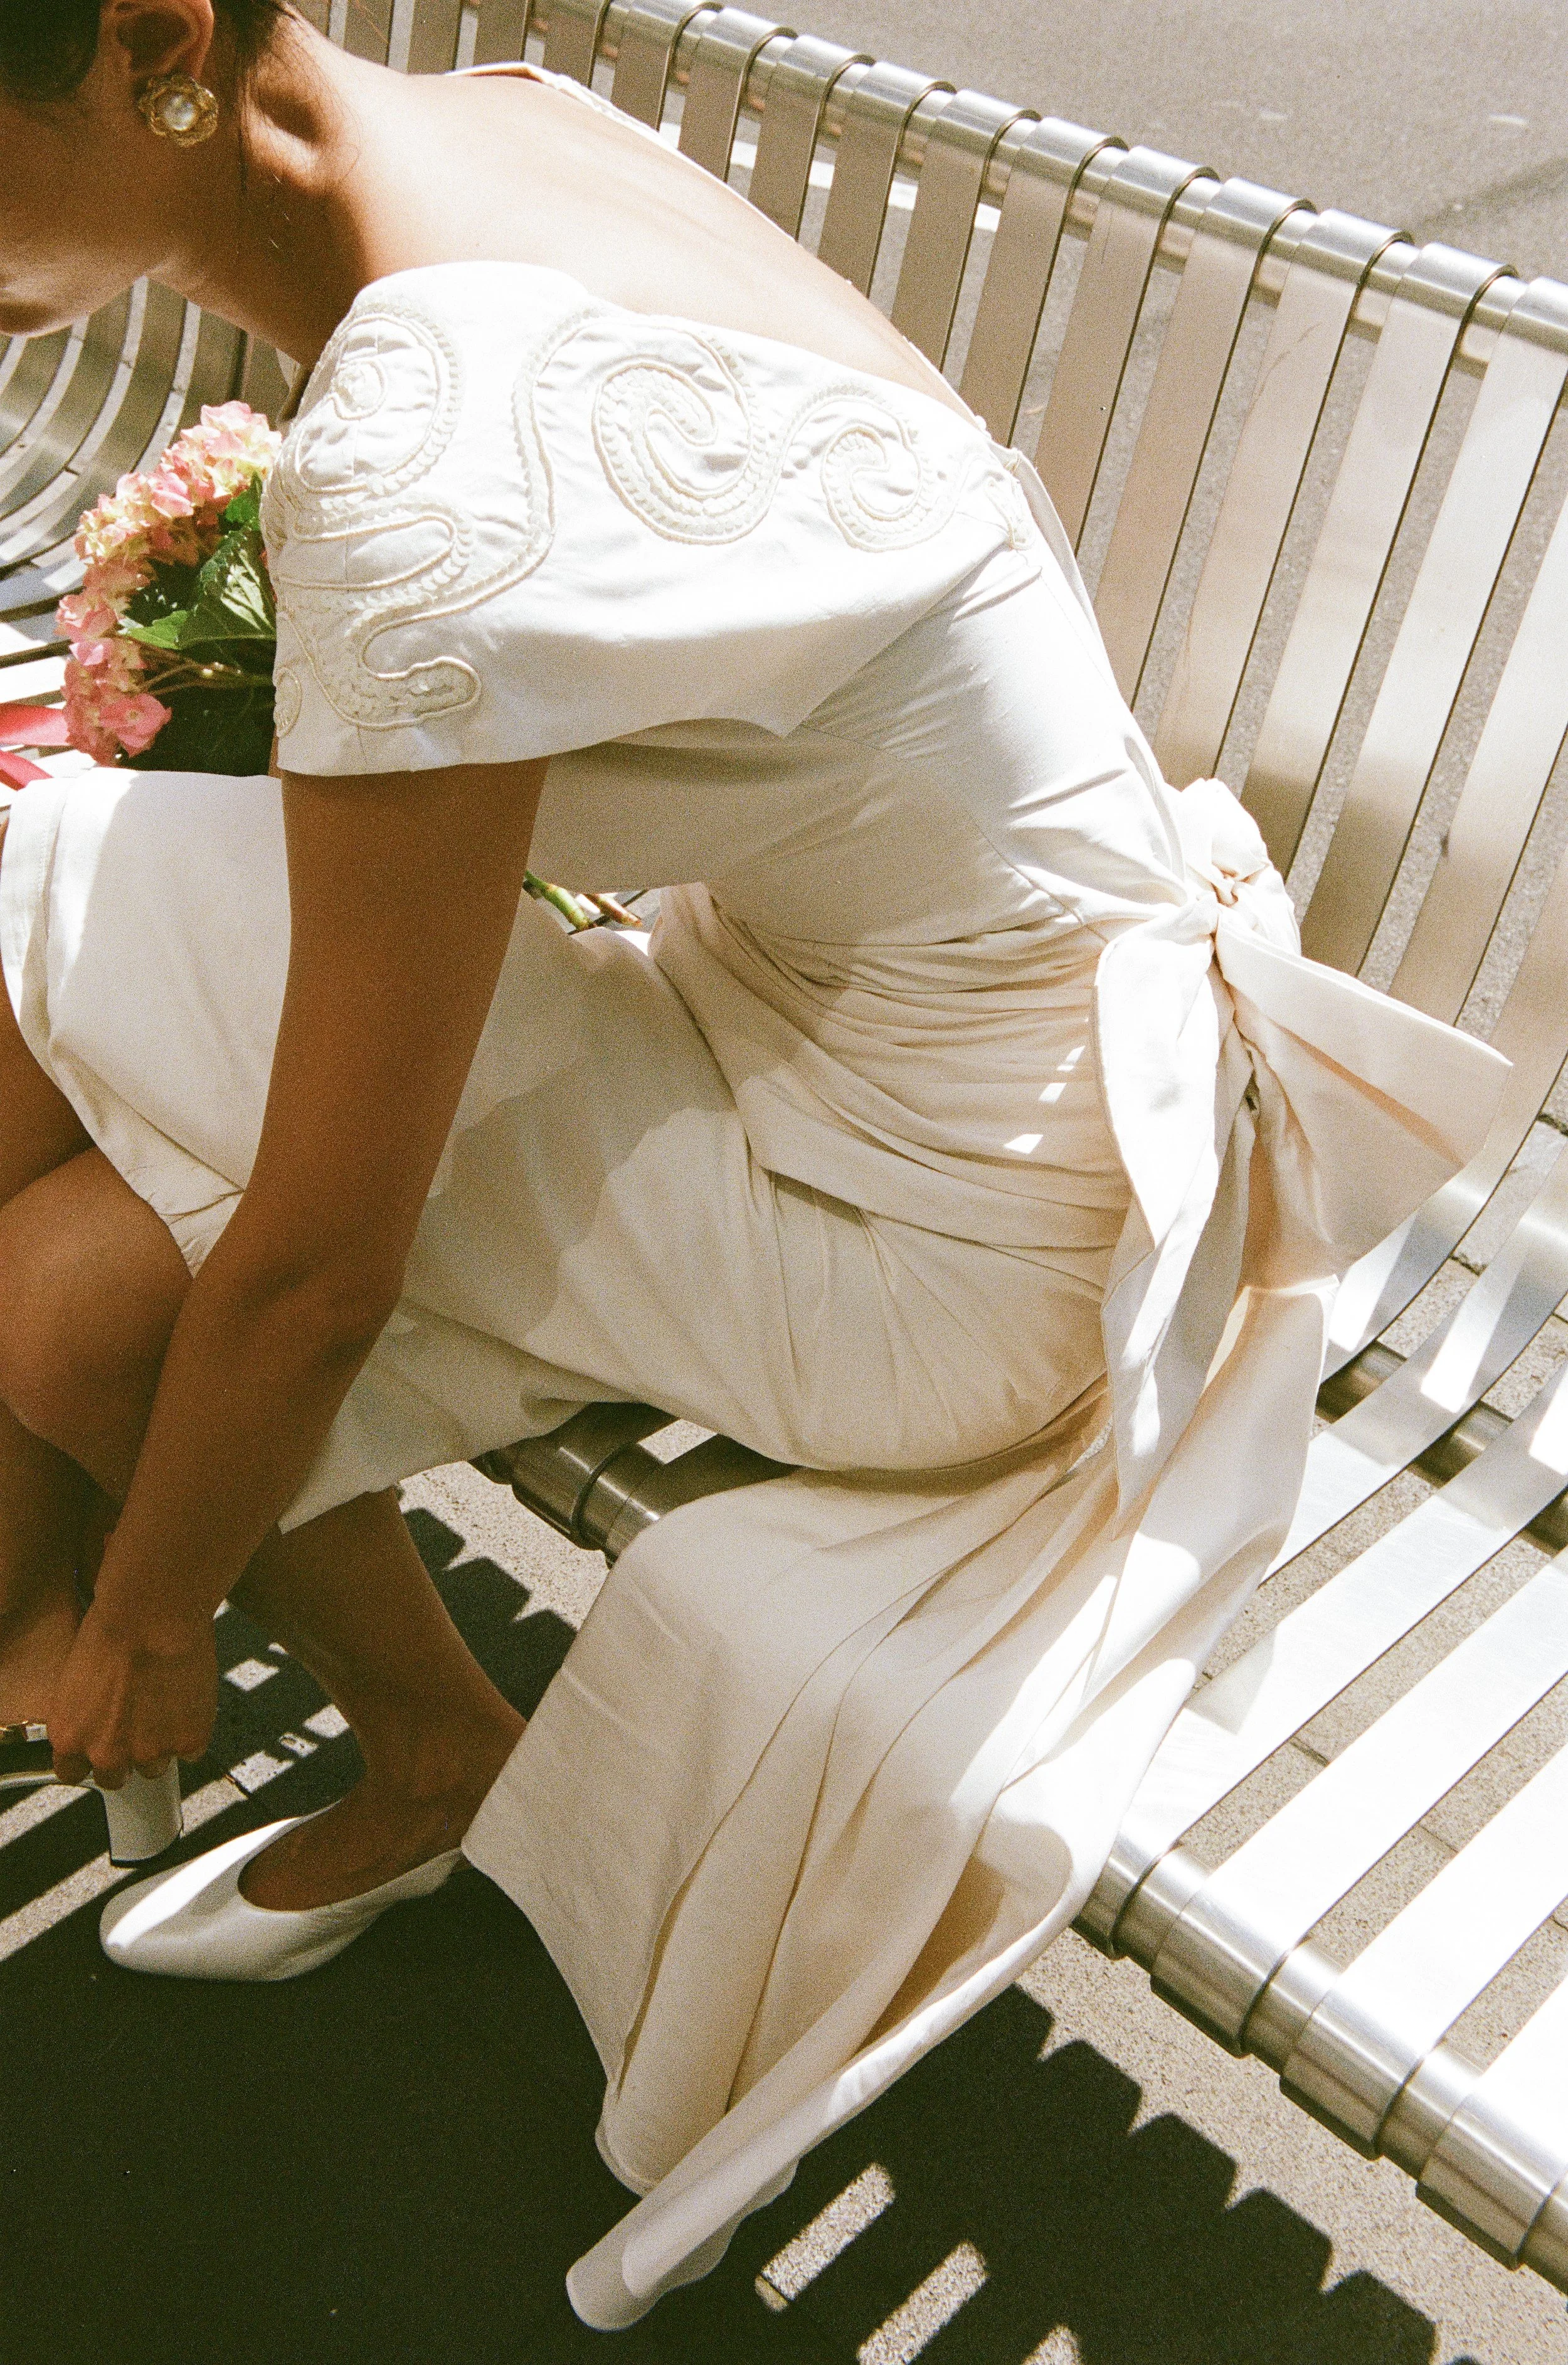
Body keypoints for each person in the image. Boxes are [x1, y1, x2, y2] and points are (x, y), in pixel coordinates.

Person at [0, 0, 1506, 2323]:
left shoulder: (424, 464)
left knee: (84, 1286)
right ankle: (126, 1608)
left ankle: (378, 1737)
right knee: (56, 976)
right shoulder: (500, 129)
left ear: (155, 46)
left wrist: (158, 1626)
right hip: (877, 1026)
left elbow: (317, 1260)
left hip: (949, 1230)